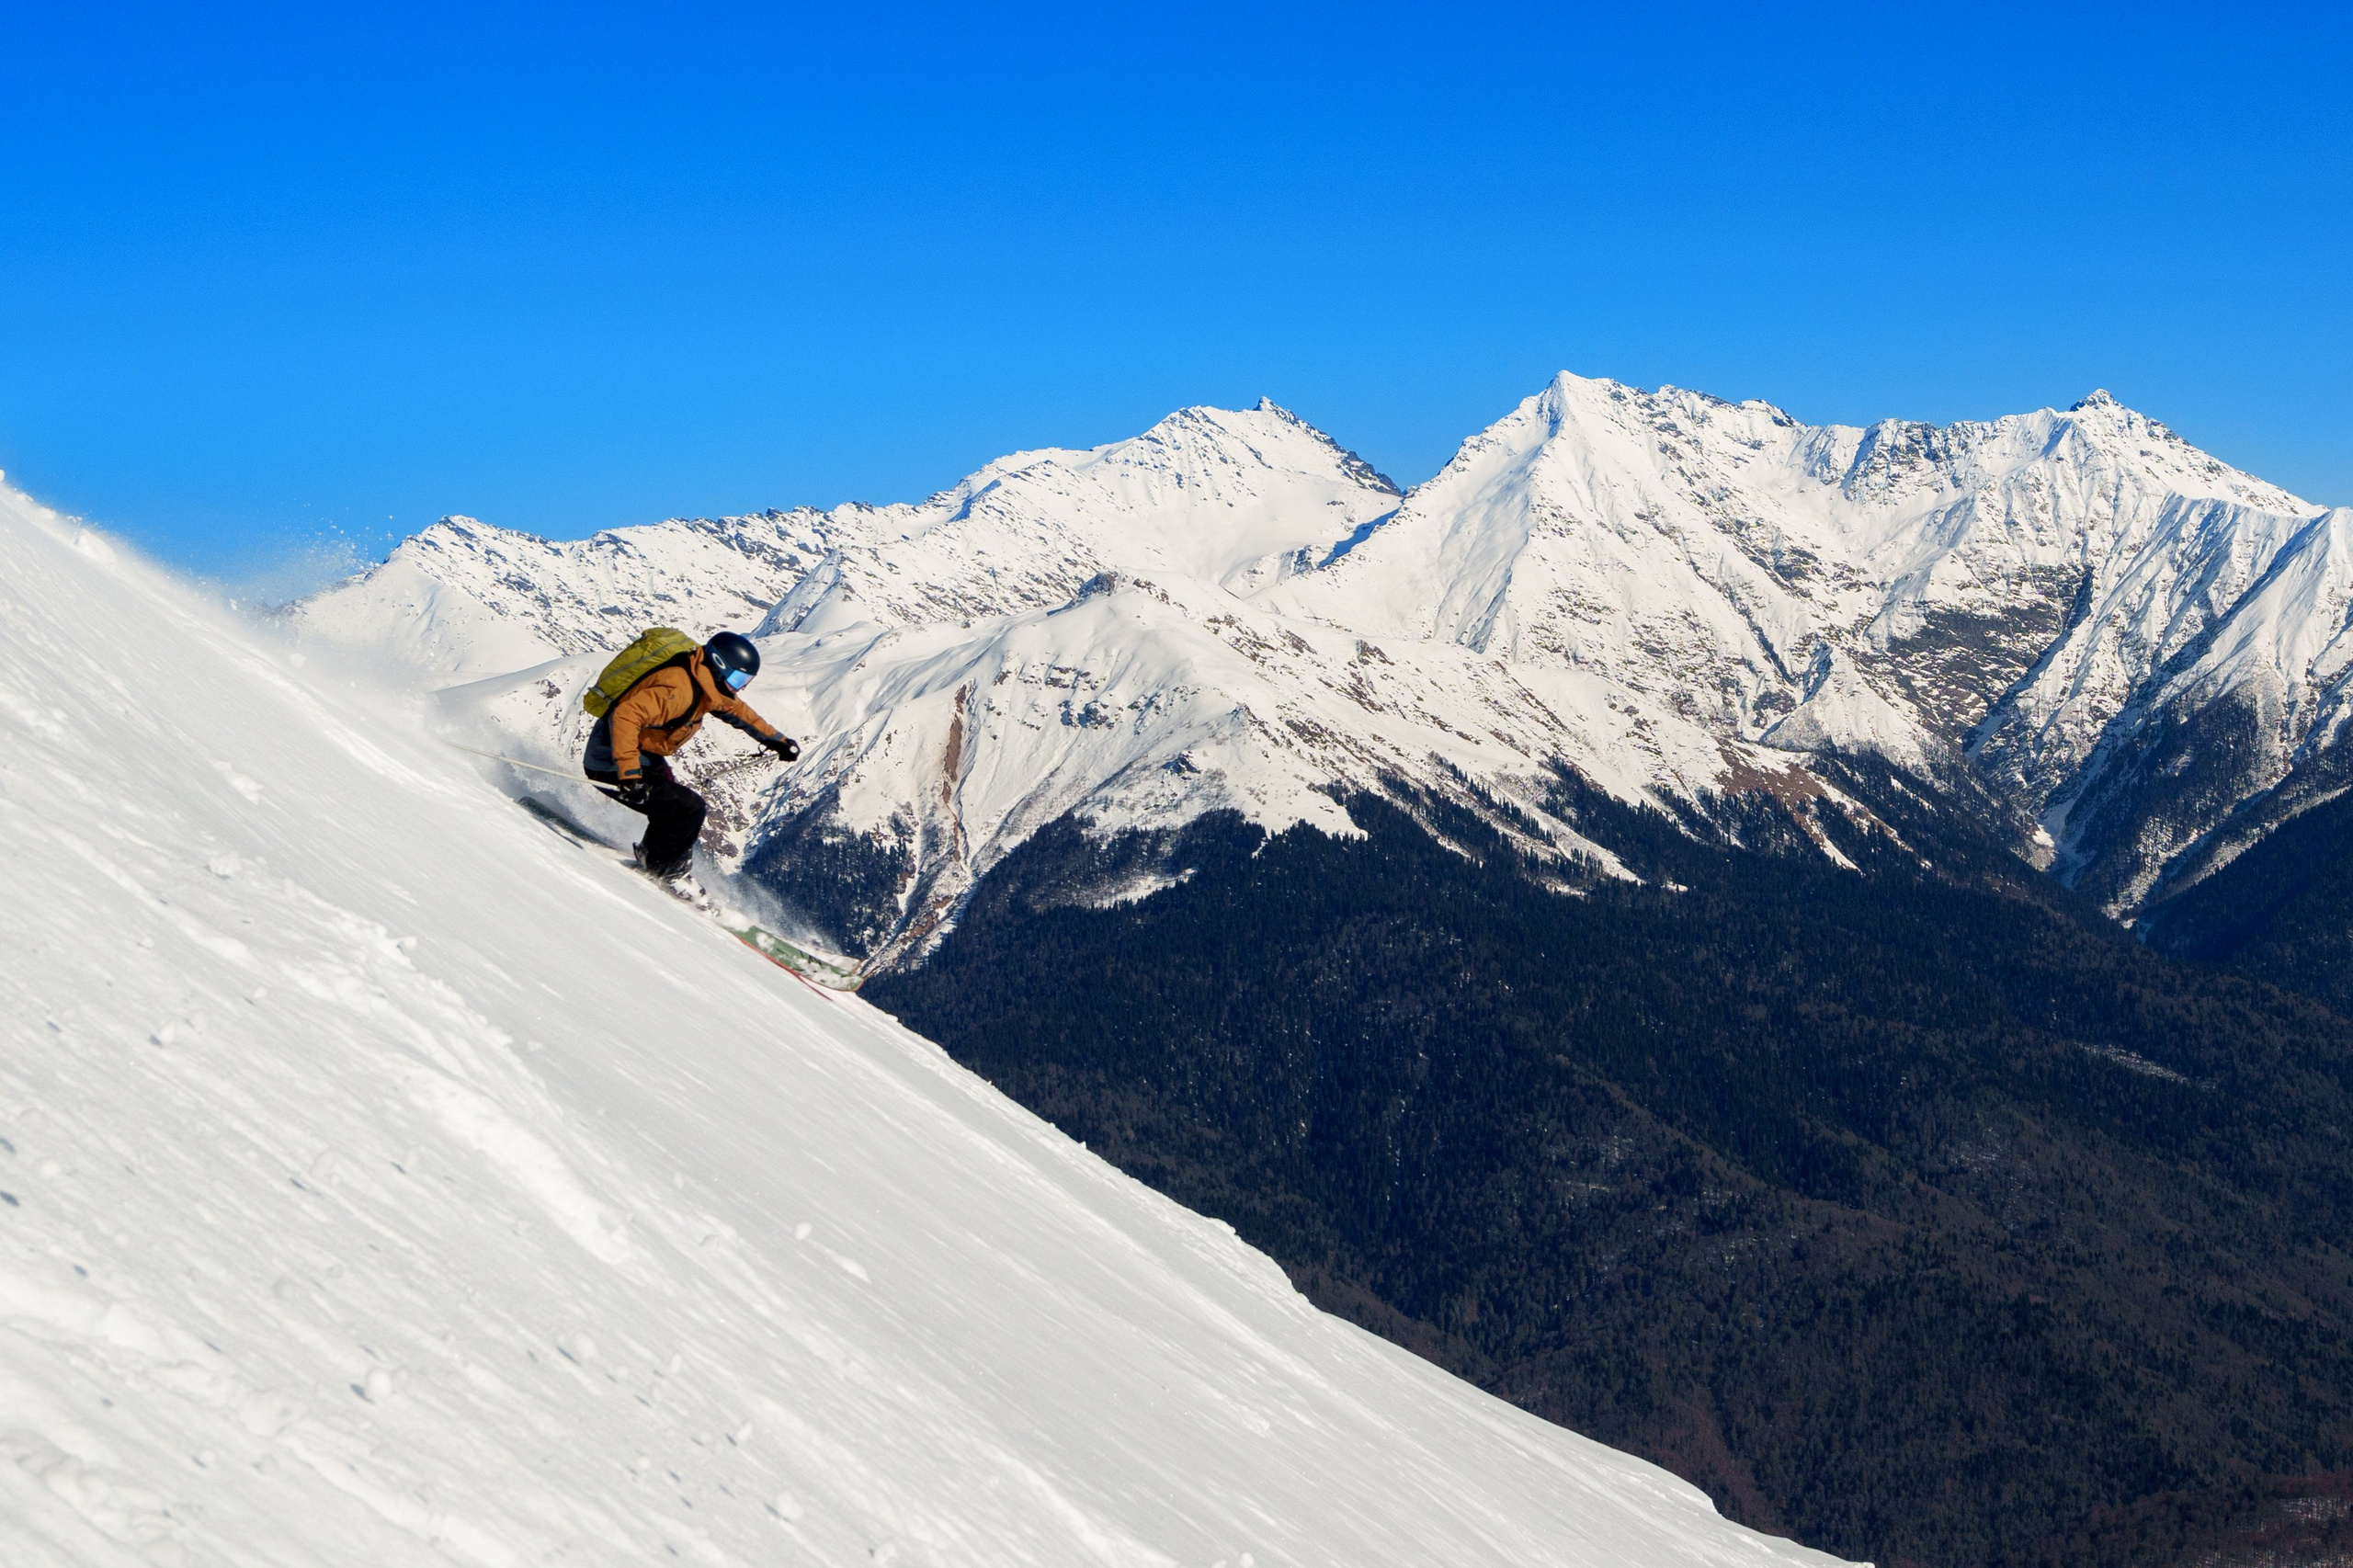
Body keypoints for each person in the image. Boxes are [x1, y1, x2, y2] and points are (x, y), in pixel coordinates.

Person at [582, 631, 799, 881]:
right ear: (719, 665)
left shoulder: (705, 682)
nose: (741, 687)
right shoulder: (679, 689)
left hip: (643, 756)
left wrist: (777, 740)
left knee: (674, 804)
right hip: (609, 761)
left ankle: (653, 858)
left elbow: (736, 710)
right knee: (688, 809)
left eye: (746, 681)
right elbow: (626, 715)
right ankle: (666, 872)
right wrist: (629, 775)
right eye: (738, 678)